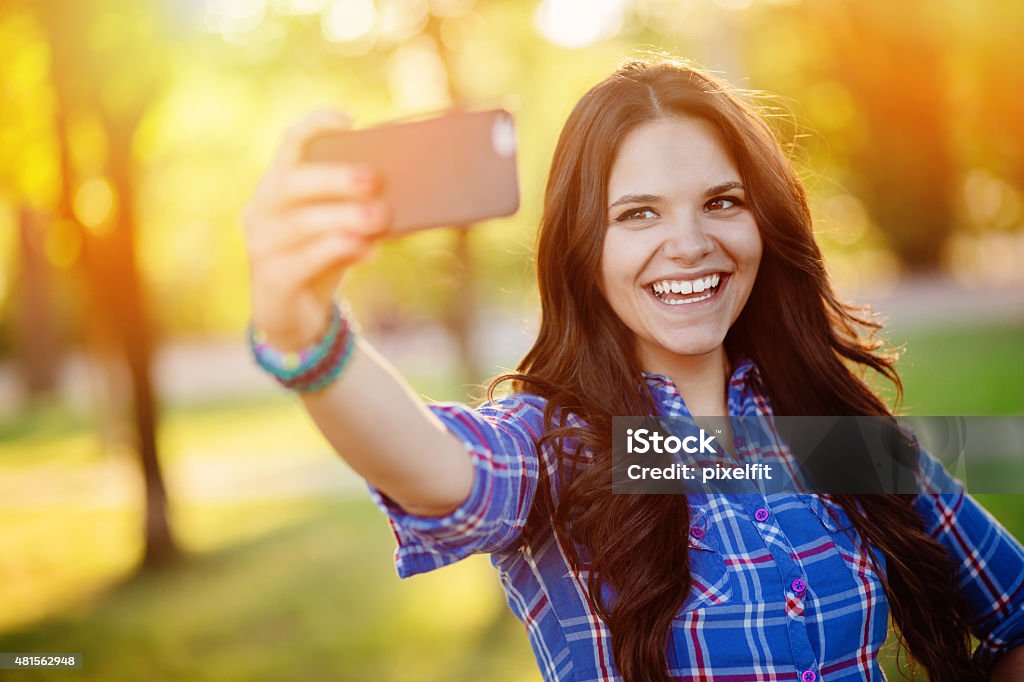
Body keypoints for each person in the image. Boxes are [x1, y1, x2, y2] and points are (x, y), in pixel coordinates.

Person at [241, 56, 1024, 681]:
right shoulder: (565, 448)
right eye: (637, 214)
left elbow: (1013, 608)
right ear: (587, 250)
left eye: (722, 202)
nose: (688, 243)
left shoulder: (833, 434)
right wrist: (307, 335)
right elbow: (441, 470)